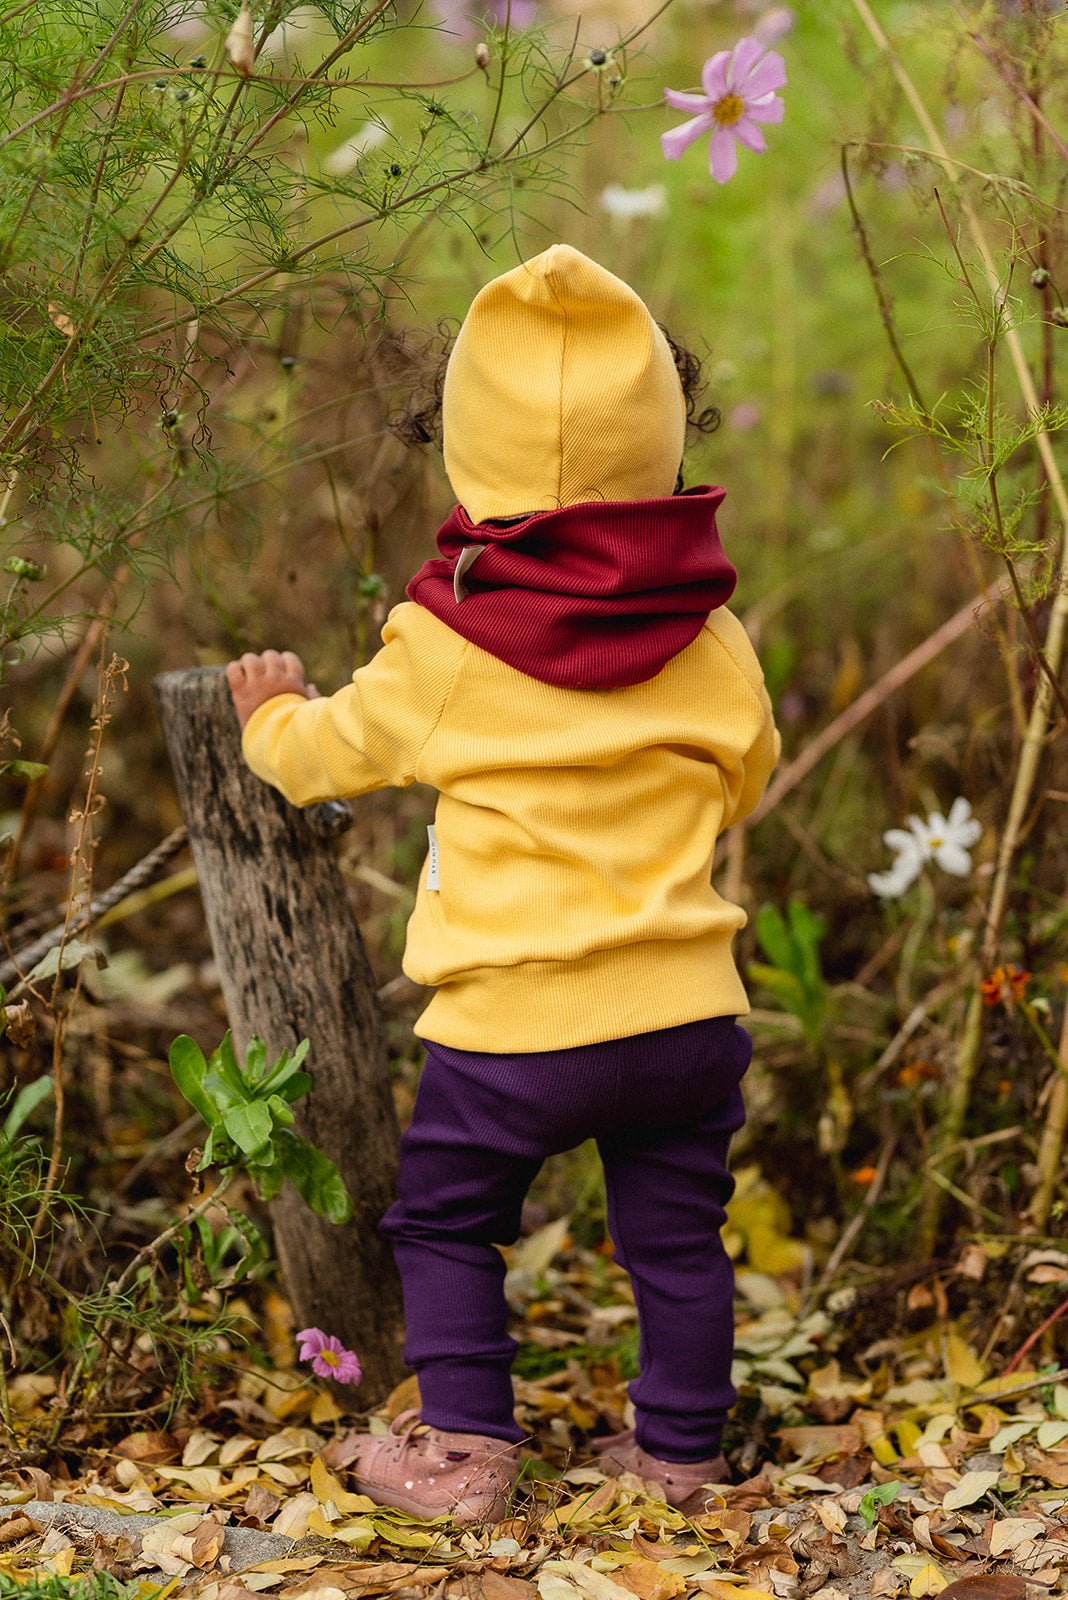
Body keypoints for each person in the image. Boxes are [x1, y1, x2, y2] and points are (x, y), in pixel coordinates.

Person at [226, 244, 779, 1526]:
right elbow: (741, 774)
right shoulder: (711, 630)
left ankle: (469, 1450)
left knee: (446, 1218)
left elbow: (331, 753)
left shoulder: (447, 642)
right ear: (664, 436)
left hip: (515, 1030)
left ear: (470, 442)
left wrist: (268, 723)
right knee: (676, 1242)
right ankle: (683, 1455)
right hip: (687, 1013)